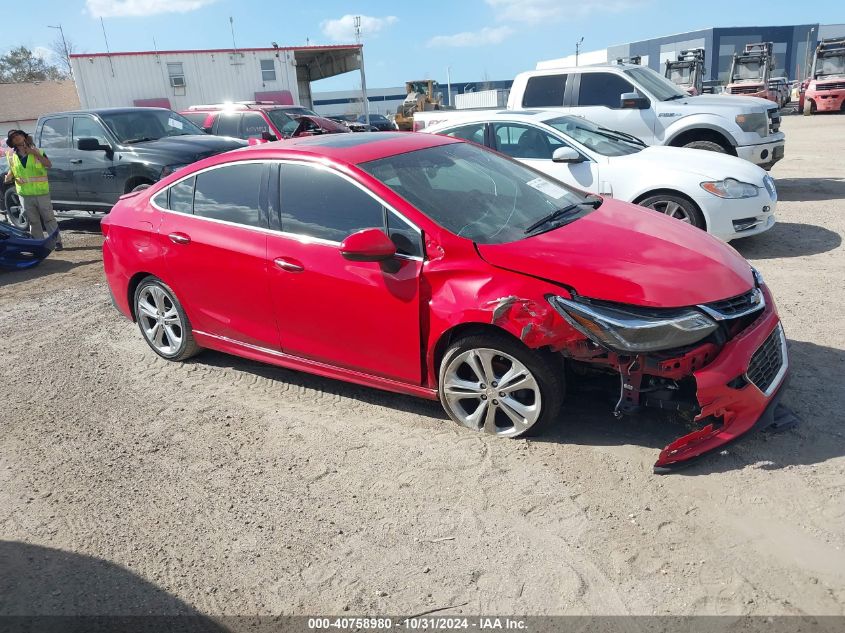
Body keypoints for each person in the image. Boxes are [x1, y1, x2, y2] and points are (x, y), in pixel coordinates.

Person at [4, 129, 63, 250]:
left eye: (18, 135)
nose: (17, 137)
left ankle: (56, 242)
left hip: (41, 193)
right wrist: (9, 176)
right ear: (12, 142)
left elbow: (48, 164)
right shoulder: (10, 155)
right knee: (33, 221)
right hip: (24, 194)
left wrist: (34, 153)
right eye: (13, 137)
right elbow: (13, 168)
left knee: (49, 219)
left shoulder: (37, 151)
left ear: (24, 137)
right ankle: (39, 244)